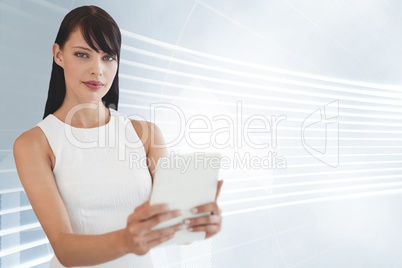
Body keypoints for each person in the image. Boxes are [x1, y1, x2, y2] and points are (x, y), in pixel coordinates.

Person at [13, 5, 223, 267]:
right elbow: (65, 249)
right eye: (82, 54)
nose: (97, 70)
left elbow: (171, 227)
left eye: (108, 57)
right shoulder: (35, 143)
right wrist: (127, 240)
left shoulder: (145, 135)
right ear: (58, 55)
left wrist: (198, 223)